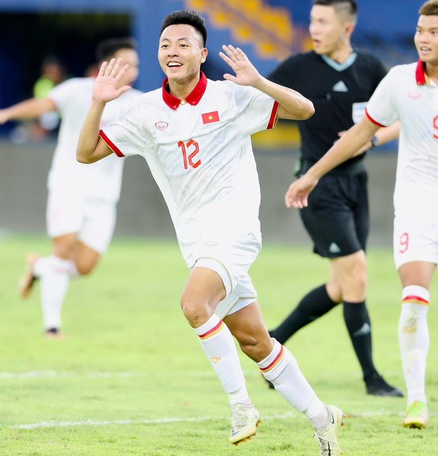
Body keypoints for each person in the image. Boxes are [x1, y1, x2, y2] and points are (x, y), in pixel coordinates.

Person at [75, 11, 344, 455]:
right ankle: (323, 418)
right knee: (256, 341)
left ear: (202, 53)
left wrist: (258, 82)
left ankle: (241, 405)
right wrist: (99, 102)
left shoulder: (232, 96)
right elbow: (86, 153)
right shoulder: (143, 111)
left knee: (194, 304)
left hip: (235, 231)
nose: (172, 52)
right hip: (197, 243)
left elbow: (305, 109)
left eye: (183, 44)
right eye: (165, 45)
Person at [285, 0, 438, 429]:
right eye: (420, 30)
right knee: (414, 299)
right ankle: (415, 402)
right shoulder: (400, 81)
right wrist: (312, 174)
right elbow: (359, 136)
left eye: (434, 31)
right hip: (418, 209)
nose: (423, 38)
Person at [265, 0, 402, 397]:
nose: (314, 28)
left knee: (342, 286)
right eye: (312, 21)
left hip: (355, 185)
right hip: (316, 187)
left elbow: (403, 115)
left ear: (347, 28)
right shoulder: (297, 69)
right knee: (357, 274)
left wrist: (372, 138)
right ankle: (372, 379)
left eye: (323, 21)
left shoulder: (371, 68)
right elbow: (257, 101)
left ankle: (273, 343)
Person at [0, 38, 142, 339]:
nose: (133, 71)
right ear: (108, 65)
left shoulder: (137, 101)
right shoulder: (76, 88)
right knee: (63, 250)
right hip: (69, 184)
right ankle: (52, 326)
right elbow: (44, 104)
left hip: (104, 195)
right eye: (126, 63)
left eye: (136, 65)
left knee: (85, 266)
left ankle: (39, 267)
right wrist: (5, 114)